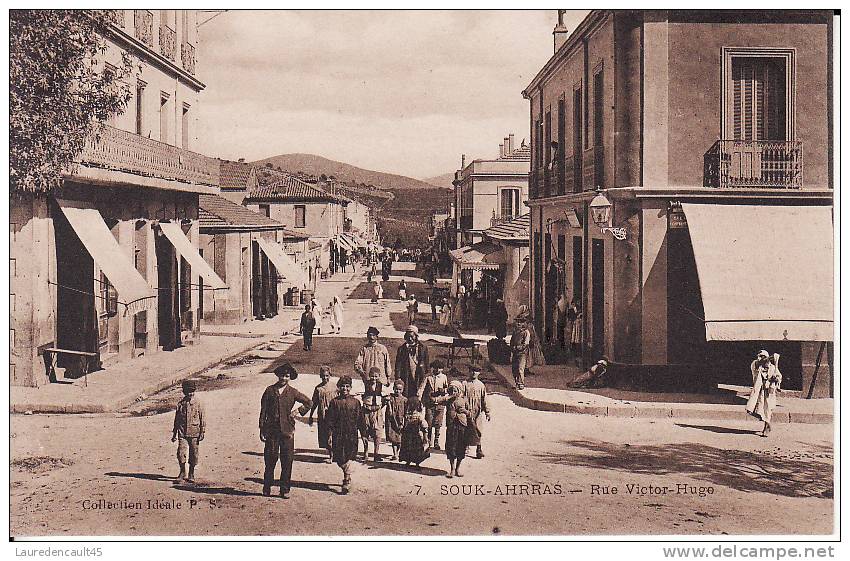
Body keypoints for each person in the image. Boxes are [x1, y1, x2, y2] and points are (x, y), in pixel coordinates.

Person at [258, 362, 312, 498]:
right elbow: (263, 411)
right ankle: (267, 486)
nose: (284, 379)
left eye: (287, 376)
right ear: (278, 376)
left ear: (290, 378)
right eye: (282, 376)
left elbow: (309, 402)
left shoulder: (292, 392)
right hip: (272, 431)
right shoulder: (270, 390)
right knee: (270, 458)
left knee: (287, 460)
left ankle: (284, 489)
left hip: (287, 431)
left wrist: (297, 411)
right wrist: (262, 429)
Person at [325, 376, 362, 494]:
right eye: (342, 386)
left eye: (347, 386)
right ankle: (347, 475)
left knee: (350, 455)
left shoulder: (355, 402)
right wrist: (330, 435)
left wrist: (364, 434)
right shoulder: (334, 402)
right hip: (338, 434)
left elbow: (360, 419)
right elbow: (329, 421)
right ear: (339, 388)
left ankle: (346, 479)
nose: (345, 388)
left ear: (350, 388)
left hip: (351, 434)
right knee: (340, 458)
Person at [171, 379, 205, 483]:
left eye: (192, 391)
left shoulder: (198, 403)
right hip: (182, 433)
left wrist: (202, 431)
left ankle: (191, 472)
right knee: (181, 452)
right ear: (184, 392)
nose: (190, 394)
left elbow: (202, 417)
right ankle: (182, 472)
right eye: (188, 392)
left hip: (195, 432)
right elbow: (177, 419)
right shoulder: (181, 404)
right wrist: (174, 433)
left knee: (194, 454)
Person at [436, 380, 472, 478]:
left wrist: (465, 411)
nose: (454, 392)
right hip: (451, 425)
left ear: (460, 390)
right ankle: (452, 469)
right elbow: (437, 401)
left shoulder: (464, 399)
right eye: (452, 390)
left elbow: (469, 413)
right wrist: (449, 397)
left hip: (462, 425)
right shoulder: (448, 399)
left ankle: (457, 469)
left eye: (455, 389)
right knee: (451, 447)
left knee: (461, 447)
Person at [746, 351, 783, 437]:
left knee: (768, 408)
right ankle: (766, 423)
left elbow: (779, 376)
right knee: (757, 409)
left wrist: (776, 379)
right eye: (760, 356)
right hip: (759, 391)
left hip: (769, 391)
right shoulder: (755, 365)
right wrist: (770, 358)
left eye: (763, 357)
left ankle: (767, 426)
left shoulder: (772, 368)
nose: (761, 358)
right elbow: (759, 363)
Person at [308, 365, 337, 463]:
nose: (325, 378)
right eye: (323, 376)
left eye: (327, 376)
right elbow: (314, 402)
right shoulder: (318, 388)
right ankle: (331, 455)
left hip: (333, 414)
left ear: (330, 375)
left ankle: (334, 455)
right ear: (320, 376)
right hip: (323, 415)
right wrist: (311, 416)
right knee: (326, 435)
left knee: (333, 435)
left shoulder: (334, 387)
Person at [395, 325, 430, 399]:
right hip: (406, 374)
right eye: (408, 337)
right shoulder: (401, 349)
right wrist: (398, 377)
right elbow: (398, 364)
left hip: (419, 373)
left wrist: (427, 375)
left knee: (418, 394)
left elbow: (426, 363)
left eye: (412, 336)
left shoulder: (423, 348)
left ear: (416, 336)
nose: (410, 339)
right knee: (407, 393)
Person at [359, 367, 387, 462]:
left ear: (379, 376)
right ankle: (365, 453)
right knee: (365, 431)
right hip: (367, 410)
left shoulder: (380, 385)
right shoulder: (366, 383)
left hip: (377, 411)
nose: (374, 378)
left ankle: (376, 453)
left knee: (378, 432)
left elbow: (383, 398)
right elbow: (361, 396)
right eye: (372, 376)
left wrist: (380, 406)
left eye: (376, 376)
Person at [464, 366, 490, 459]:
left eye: (477, 371)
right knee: (466, 429)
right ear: (469, 372)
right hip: (467, 411)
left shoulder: (481, 385)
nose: (474, 373)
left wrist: (487, 411)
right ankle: (465, 447)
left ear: (479, 373)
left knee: (478, 429)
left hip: (477, 411)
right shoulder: (465, 384)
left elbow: (484, 399)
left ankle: (479, 449)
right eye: (472, 371)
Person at [421, 359, 448, 450]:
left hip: (440, 403)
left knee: (438, 423)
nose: (437, 370)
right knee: (428, 422)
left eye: (440, 368)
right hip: (430, 403)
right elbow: (421, 388)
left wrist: (443, 391)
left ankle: (436, 441)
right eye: (435, 368)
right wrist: (419, 398)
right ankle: (428, 440)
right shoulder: (428, 377)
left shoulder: (444, 377)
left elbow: (447, 389)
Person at [398, 397, 430, 469]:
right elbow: (403, 423)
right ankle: (408, 462)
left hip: (416, 435)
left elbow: (424, 425)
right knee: (408, 448)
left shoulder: (419, 415)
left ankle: (416, 464)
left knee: (416, 449)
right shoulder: (407, 415)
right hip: (408, 434)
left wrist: (425, 436)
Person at [385, 380, 407, 461]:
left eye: (400, 389)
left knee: (400, 438)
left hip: (400, 421)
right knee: (393, 438)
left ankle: (398, 452)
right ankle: (395, 454)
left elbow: (406, 412)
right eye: (396, 389)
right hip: (391, 420)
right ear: (393, 388)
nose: (398, 391)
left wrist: (404, 421)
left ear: (403, 390)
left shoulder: (404, 400)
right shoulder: (390, 398)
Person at [510, 315, 531, 390]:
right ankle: (516, 383)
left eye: (521, 322)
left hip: (522, 354)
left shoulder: (526, 332)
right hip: (515, 352)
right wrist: (512, 348)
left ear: (524, 323)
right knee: (514, 368)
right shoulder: (515, 332)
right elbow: (512, 341)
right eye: (517, 322)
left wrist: (518, 348)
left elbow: (526, 344)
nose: (519, 324)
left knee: (520, 368)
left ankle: (521, 383)